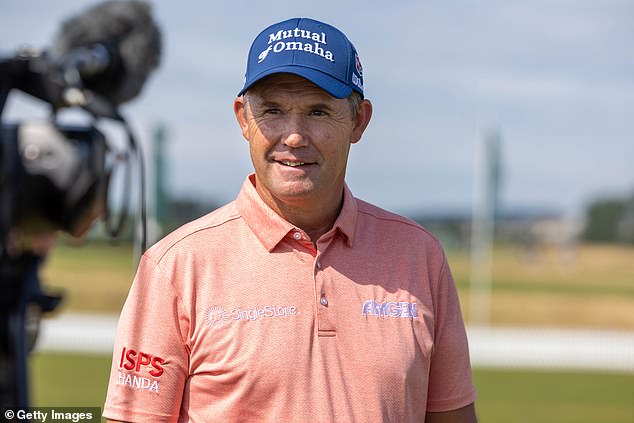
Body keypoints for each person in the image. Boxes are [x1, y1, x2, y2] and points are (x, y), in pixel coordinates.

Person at [103, 17, 477, 423]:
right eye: (274, 111)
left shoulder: (419, 256)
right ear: (244, 119)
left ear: (358, 121)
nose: (294, 136)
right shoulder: (175, 267)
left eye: (317, 111)